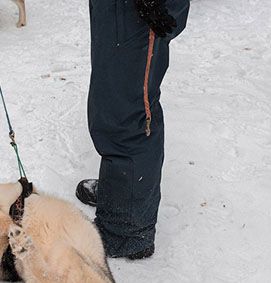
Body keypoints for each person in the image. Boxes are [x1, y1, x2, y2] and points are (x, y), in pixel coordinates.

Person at [76, 0, 190, 259]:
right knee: (109, 101)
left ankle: (127, 230)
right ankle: (120, 193)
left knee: (128, 112)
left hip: (138, 10)